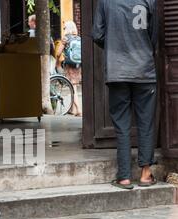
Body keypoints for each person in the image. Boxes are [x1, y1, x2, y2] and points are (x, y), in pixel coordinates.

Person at [92, 0, 157, 190]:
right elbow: (154, 36)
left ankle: (124, 177)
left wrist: (114, 45)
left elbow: (97, 34)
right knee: (146, 122)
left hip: (117, 70)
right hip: (144, 69)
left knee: (122, 124)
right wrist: (143, 48)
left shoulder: (105, 1)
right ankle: (145, 174)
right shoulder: (149, 0)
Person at [56, 21, 82, 117]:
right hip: (78, 65)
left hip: (69, 65)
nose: (63, 30)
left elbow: (58, 53)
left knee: (72, 87)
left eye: (64, 28)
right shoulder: (79, 38)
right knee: (73, 85)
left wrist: (58, 61)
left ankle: (79, 109)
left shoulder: (66, 39)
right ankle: (73, 110)